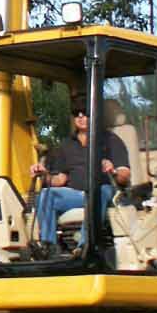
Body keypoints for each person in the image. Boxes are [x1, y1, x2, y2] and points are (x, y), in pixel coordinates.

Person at [30, 96, 131, 247]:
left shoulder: (111, 140)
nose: (81, 117)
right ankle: (48, 246)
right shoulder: (66, 145)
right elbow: (60, 180)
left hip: (105, 193)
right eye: (77, 113)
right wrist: (43, 174)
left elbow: (125, 176)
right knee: (45, 194)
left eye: (86, 113)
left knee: (100, 191)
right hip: (77, 195)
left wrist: (113, 171)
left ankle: (84, 247)